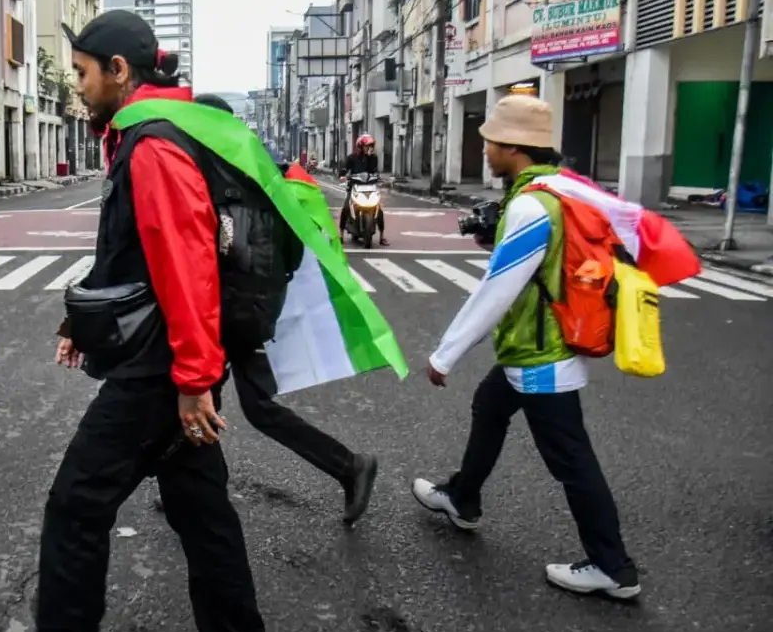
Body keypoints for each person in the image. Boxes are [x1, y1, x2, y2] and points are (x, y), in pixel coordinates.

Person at [2, 11, 276, 632]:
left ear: (119, 71)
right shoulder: (149, 135)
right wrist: (81, 325)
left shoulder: (153, 145)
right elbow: (134, 256)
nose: (78, 88)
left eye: (82, 73)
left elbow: (186, 265)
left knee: (76, 502)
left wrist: (192, 379)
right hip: (167, 359)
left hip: (160, 370)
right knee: (200, 506)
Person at [411, 95, 640, 600]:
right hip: (535, 347)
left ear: (513, 146)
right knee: (489, 405)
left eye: (491, 141)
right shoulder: (556, 192)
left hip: (542, 357)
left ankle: (613, 566)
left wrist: (445, 354)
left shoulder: (532, 204)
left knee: (572, 460)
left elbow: (499, 288)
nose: (486, 150)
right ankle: (462, 497)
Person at [135, 92, 378, 526]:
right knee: (234, 401)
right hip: (250, 306)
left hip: (229, 310)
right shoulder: (262, 171)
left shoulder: (219, 173)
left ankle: (347, 466)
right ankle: (191, 486)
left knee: (202, 395)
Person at [338, 134, 387, 246]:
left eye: (371, 146)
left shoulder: (373, 158)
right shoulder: (352, 157)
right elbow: (344, 170)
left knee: (379, 210)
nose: (369, 148)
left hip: (370, 187)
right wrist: (343, 175)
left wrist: (369, 158)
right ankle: (340, 234)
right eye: (367, 146)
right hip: (355, 187)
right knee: (346, 207)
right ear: (360, 147)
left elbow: (373, 171)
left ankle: (382, 236)